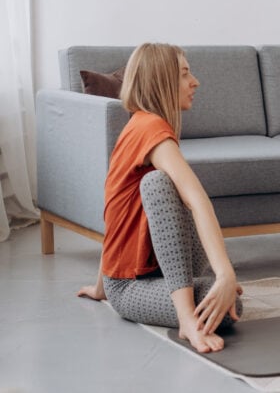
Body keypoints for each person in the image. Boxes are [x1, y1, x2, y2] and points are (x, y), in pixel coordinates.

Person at [78, 43, 243, 353]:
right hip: (128, 287)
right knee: (159, 183)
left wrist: (98, 287)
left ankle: (205, 292)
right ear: (161, 82)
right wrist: (225, 274)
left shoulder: (142, 123)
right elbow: (198, 200)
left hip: (151, 271)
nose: (195, 81)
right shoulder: (149, 128)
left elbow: (116, 213)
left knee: (224, 297)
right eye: (184, 74)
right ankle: (186, 317)